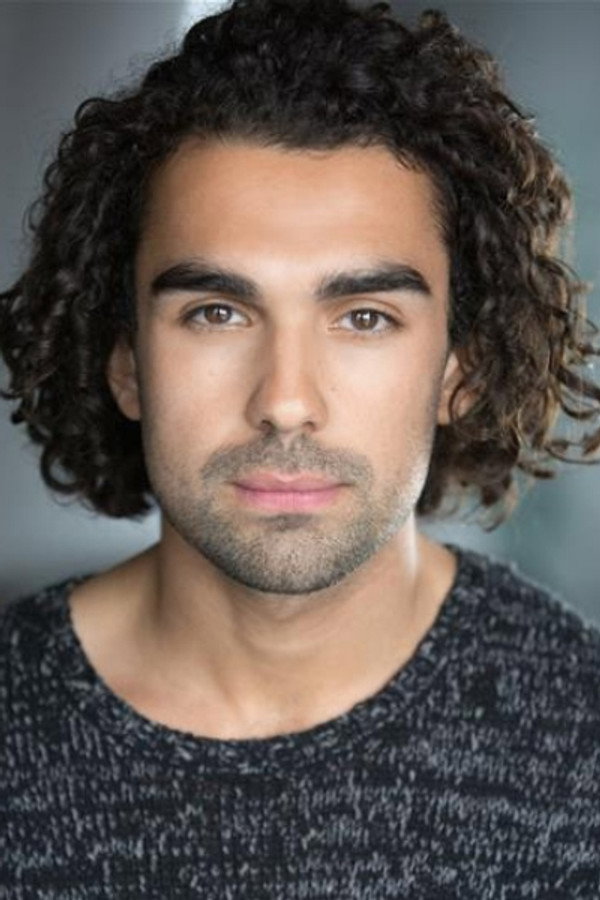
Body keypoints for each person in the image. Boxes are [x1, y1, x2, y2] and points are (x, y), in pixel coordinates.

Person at [1, 0, 599, 895]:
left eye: (365, 318)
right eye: (217, 312)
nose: (285, 401)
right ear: (126, 365)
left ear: (460, 371)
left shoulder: (583, 742)